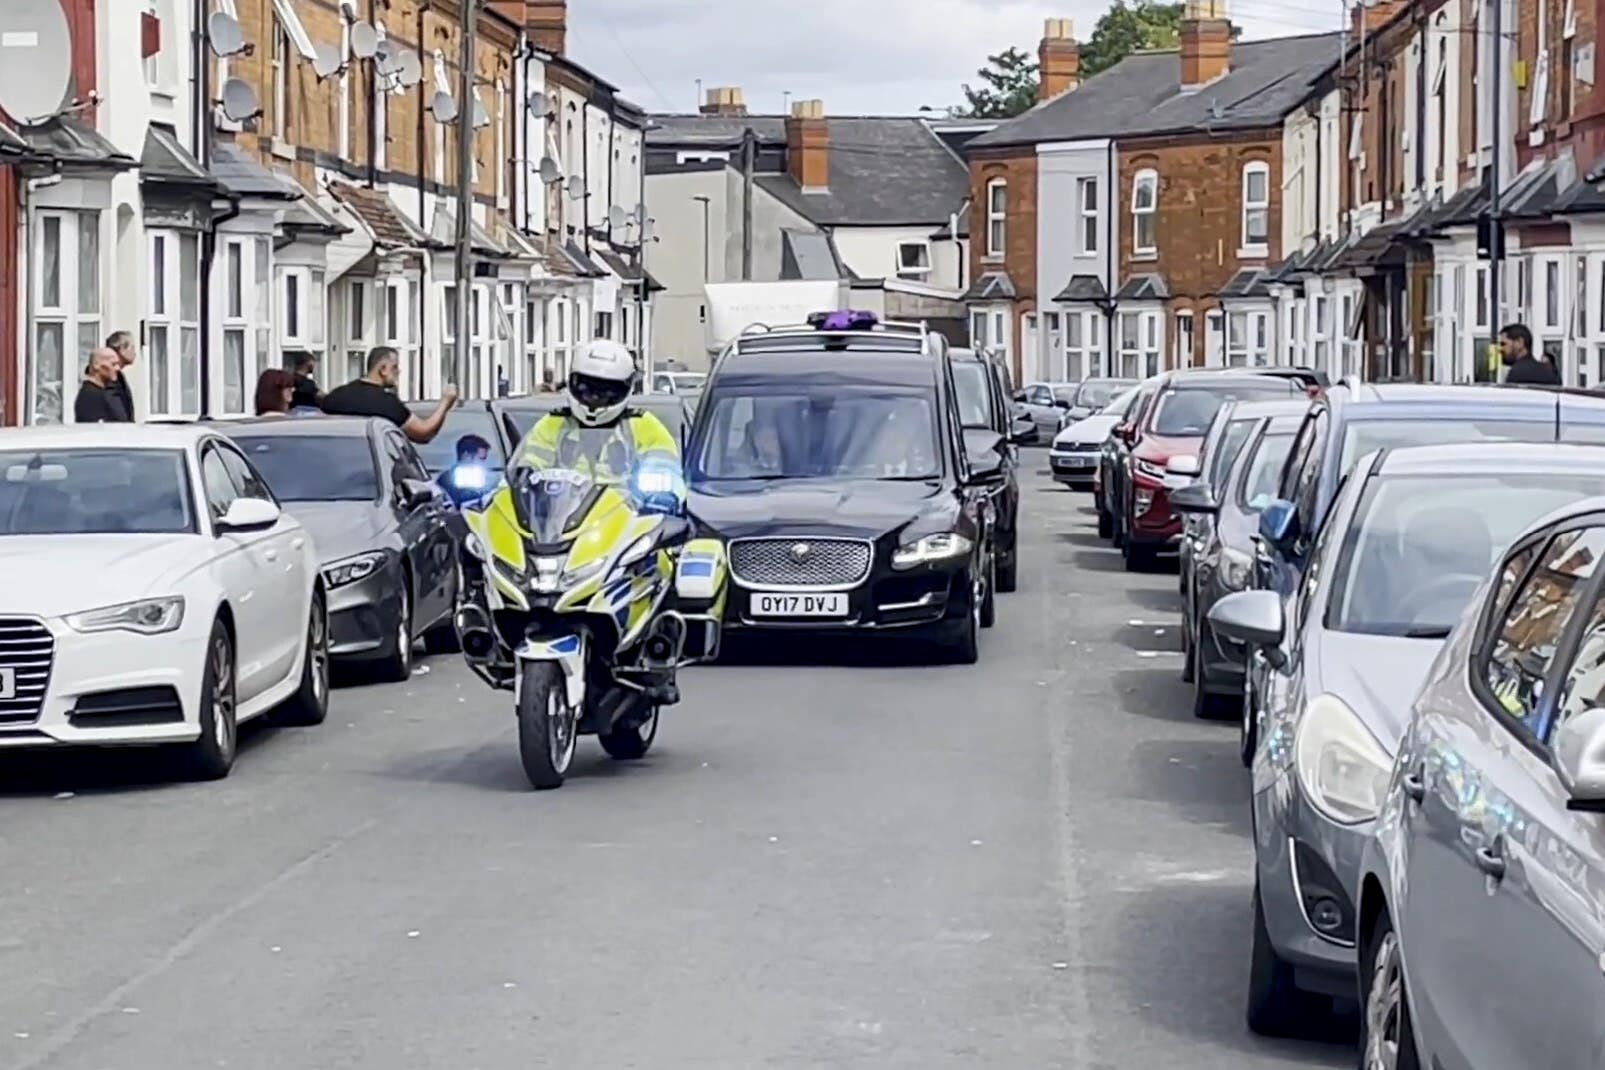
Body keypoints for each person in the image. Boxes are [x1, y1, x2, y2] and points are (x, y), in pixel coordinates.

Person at [512, 338, 678, 484]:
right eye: (586, 387)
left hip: (625, 516)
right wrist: (518, 480)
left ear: (625, 389)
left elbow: (665, 465)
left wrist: (663, 492)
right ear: (572, 381)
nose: (594, 397)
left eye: (606, 391)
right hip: (563, 514)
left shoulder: (643, 425)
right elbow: (529, 461)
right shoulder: (554, 423)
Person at [321, 346, 457, 443]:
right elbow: (423, 433)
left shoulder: (336, 396)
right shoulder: (386, 404)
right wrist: (445, 403)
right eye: (395, 367)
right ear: (383, 369)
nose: (398, 372)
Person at [74, 348, 132, 423]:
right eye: (113, 364)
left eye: (118, 364)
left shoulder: (107, 391)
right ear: (96, 365)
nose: (117, 368)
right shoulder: (90, 396)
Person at [105, 331, 138, 420]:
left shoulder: (119, 376)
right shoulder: (109, 377)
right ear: (122, 349)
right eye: (132, 348)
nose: (135, 352)